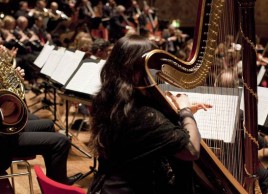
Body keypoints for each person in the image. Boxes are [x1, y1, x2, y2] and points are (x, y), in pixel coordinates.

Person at [88, 34, 212, 193]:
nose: (156, 72)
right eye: (152, 66)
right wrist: (185, 111)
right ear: (137, 69)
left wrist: (176, 112)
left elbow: (141, 137)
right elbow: (191, 151)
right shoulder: (143, 115)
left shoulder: (109, 99)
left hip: (107, 186)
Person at [0, 19, 82, 185]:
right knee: (61, 141)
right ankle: (57, 186)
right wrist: (2, 112)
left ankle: (56, 179)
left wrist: (12, 80)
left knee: (48, 124)